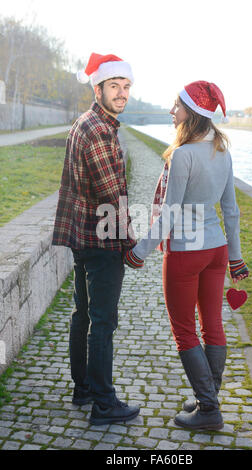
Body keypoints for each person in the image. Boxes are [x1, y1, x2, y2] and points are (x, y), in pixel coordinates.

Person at [125, 81, 248, 430]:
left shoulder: (183, 154)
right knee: (212, 325)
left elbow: (168, 213)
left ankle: (208, 410)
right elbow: (231, 210)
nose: (171, 111)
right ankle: (207, 394)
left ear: (192, 113)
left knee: (184, 331)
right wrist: (236, 258)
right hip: (217, 250)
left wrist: (139, 252)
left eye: (176, 106)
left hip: (186, 252)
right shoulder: (222, 150)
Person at [52, 53, 140, 426]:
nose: (121, 94)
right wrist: (131, 242)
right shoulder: (99, 131)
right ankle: (104, 402)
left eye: (126, 87)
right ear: (98, 88)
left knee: (83, 314)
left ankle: (84, 387)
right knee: (103, 322)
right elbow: (111, 195)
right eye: (114, 87)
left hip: (82, 237)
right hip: (101, 241)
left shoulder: (85, 122)